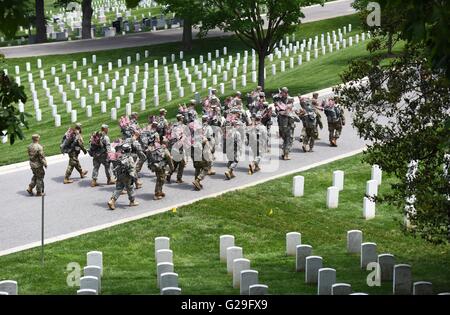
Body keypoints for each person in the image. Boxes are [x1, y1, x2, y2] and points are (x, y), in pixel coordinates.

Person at [107, 143, 139, 210]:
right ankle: (132, 201)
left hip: (119, 175)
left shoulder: (120, 157)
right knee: (130, 188)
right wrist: (133, 177)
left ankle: (112, 201)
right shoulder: (129, 158)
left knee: (118, 188)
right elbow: (132, 168)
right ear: (129, 150)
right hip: (127, 176)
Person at [166, 114, 189, 183]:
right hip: (178, 146)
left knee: (176, 162)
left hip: (174, 145)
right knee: (182, 163)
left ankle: (169, 174)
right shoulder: (179, 127)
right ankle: (178, 178)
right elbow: (179, 137)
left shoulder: (174, 126)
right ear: (181, 119)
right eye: (182, 118)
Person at [192, 124, 213, 190]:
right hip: (203, 157)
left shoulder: (193, 138)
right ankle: (198, 180)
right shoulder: (203, 139)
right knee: (206, 168)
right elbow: (207, 150)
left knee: (197, 169)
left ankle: (196, 183)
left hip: (195, 157)